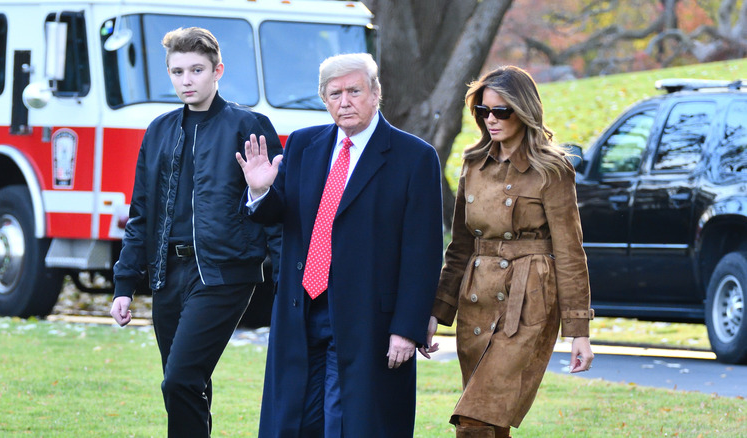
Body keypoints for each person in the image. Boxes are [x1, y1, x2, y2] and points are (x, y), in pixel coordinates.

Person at [236, 53, 443, 437]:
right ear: (323, 98)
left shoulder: (414, 157)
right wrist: (260, 189)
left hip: (368, 319)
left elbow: (424, 252)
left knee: (349, 423)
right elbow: (278, 215)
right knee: (296, 422)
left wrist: (407, 327)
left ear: (376, 93)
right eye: (334, 93)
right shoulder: (302, 145)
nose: (344, 101)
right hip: (300, 313)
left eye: (354, 90)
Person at [109, 27, 282, 437]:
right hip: (167, 275)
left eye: (196, 70)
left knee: (180, 379)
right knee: (188, 384)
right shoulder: (159, 130)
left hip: (225, 274)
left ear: (217, 70)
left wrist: (285, 280)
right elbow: (141, 214)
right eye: (177, 71)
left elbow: (279, 211)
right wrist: (123, 284)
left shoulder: (249, 125)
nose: (186, 80)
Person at [421, 66, 594, 438]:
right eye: (483, 111)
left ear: (524, 110)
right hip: (477, 300)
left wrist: (578, 330)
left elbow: (570, 252)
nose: (491, 120)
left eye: (502, 111)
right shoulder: (473, 164)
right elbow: (460, 248)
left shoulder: (552, 169)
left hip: (528, 303)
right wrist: (437, 311)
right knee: (490, 422)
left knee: (476, 418)